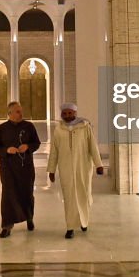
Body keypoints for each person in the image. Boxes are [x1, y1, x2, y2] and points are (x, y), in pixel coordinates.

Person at [47, 102, 103, 239]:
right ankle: (70, 227)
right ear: (61, 115)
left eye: (70, 113)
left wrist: (99, 165)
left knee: (83, 195)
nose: (67, 116)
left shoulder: (85, 127)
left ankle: (84, 222)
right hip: (66, 168)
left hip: (83, 167)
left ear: (75, 113)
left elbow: (93, 147)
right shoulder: (59, 130)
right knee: (69, 198)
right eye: (64, 113)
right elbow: (54, 151)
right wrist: (52, 170)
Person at [0, 101, 41, 237]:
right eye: (18, 111)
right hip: (8, 168)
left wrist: (28, 147)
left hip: (26, 168)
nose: (21, 114)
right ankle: (7, 225)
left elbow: (36, 143)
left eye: (21, 111)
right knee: (8, 195)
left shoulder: (29, 126)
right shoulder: (1, 128)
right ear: (10, 113)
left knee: (27, 193)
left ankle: (29, 218)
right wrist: (6, 150)